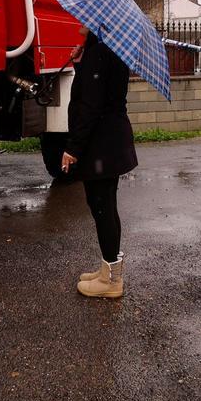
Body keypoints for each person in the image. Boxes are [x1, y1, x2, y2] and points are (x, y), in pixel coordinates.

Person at [61, 25, 138, 299]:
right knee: (104, 205)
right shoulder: (107, 50)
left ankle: (112, 281)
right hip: (111, 140)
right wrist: (81, 64)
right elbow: (99, 90)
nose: (78, 21)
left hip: (102, 143)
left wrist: (72, 148)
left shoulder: (100, 52)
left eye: (84, 18)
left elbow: (90, 106)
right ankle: (109, 269)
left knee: (102, 206)